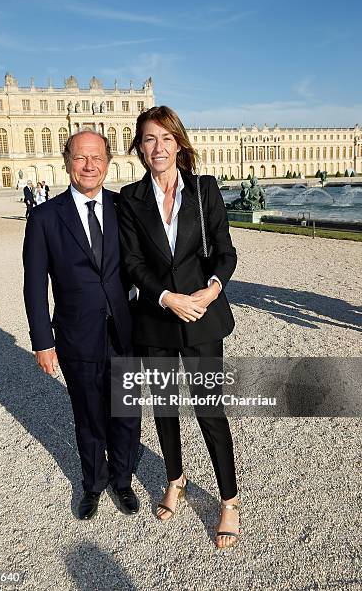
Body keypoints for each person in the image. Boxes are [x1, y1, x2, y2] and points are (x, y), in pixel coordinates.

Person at [119, 106, 240, 549]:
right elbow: (132, 263)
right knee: (165, 409)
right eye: (149, 139)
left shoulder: (205, 190)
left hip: (203, 316)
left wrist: (209, 292)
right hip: (156, 317)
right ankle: (176, 477)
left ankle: (228, 499)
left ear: (179, 143)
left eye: (166, 138)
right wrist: (167, 297)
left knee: (210, 410)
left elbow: (225, 254)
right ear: (140, 148)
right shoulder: (130, 200)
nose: (159, 147)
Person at [23, 130, 141, 521]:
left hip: (125, 331)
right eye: (80, 158)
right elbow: (35, 284)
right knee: (88, 414)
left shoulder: (124, 207)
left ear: (108, 162)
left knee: (126, 412)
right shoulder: (44, 217)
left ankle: (122, 479)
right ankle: (93, 482)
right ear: (66, 160)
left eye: (97, 158)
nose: (89, 166)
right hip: (76, 334)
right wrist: (43, 341)